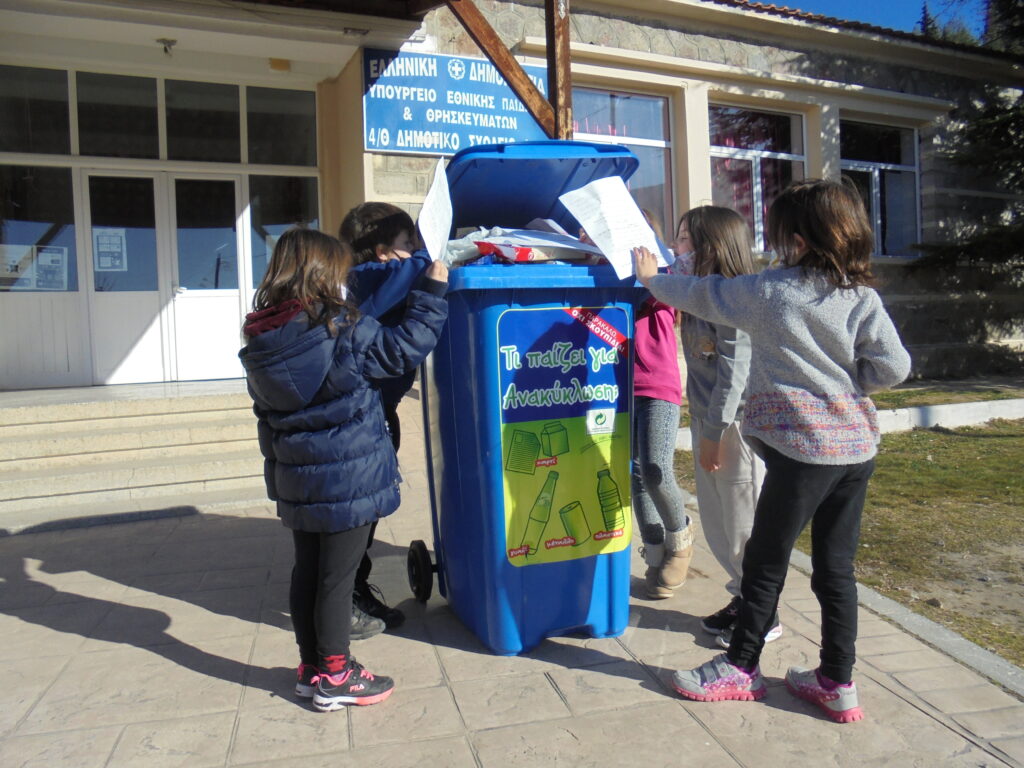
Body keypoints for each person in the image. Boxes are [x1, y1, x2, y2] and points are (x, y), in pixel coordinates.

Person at [634, 178, 911, 724]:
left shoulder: (770, 291)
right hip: (855, 448)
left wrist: (651, 277)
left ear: (801, 240)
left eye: (783, 232)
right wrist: (847, 383)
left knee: (765, 560)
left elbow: (701, 294)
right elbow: (894, 367)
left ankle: (740, 668)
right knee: (836, 568)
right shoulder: (861, 297)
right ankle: (837, 681)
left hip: (802, 449)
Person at [239, 227, 448, 711]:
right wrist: (431, 293)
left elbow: (264, 418)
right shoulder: (340, 327)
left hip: (299, 478)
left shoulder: (261, 336)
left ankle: (311, 668)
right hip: (348, 477)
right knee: (336, 579)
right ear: (321, 275)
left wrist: (280, 478)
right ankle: (337, 675)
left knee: (309, 573)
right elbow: (401, 349)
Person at [671, 206, 777, 645]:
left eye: (683, 241)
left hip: (735, 427)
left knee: (742, 526)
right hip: (707, 420)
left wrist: (714, 433)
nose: (676, 250)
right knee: (717, 525)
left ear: (708, 248)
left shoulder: (733, 298)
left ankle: (763, 614)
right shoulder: (699, 296)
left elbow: (735, 372)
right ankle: (742, 595)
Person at [339, 202, 431, 631]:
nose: (414, 251)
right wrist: (435, 253)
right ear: (381, 251)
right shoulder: (368, 276)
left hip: (378, 416)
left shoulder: (379, 275)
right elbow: (413, 271)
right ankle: (348, 599)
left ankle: (355, 591)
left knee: (368, 513)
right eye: (407, 244)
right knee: (357, 518)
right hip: (362, 420)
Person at [627, 211, 694, 599]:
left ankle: (680, 538)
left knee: (654, 468)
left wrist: (647, 275)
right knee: (634, 473)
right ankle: (655, 556)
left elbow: (656, 296)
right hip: (619, 387)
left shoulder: (662, 274)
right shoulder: (610, 272)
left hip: (657, 384)